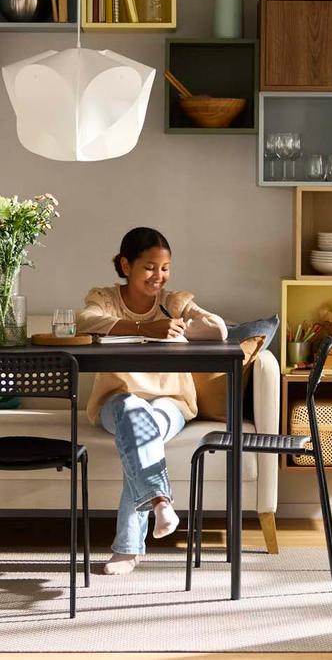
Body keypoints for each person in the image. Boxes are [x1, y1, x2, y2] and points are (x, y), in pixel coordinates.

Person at [75, 227, 227, 575]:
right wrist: (144, 330)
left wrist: (181, 322)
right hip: (117, 401)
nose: (158, 276)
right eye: (149, 267)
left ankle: (129, 547)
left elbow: (217, 329)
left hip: (170, 403)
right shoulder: (105, 299)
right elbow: (85, 321)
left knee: (143, 430)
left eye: (165, 267)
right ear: (126, 265)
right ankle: (160, 501)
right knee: (133, 411)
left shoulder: (172, 302)